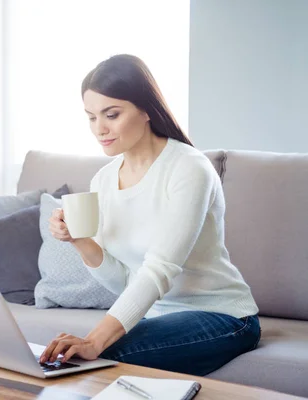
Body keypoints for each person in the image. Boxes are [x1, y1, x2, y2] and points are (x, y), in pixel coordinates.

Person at [39, 54, 260, 376]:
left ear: (145, 109)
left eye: (111, 114)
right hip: (158, 314)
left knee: (93, 358)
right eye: (91, 117)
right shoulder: (103, 179)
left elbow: (160, 268)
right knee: (71, 358)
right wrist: (79, 239)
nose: (99, 129)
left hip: (222, 316)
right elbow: (126, 282)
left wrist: (95, 340)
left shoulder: (188, 167)